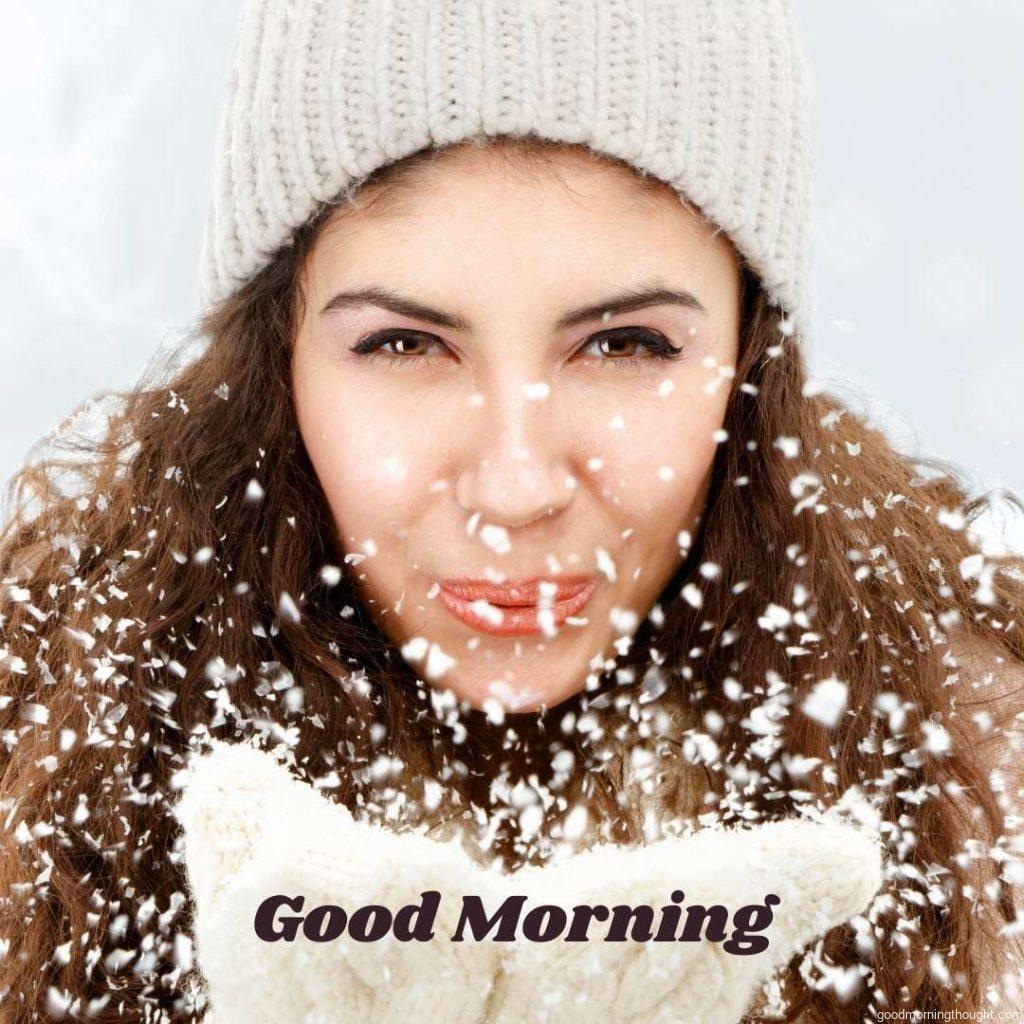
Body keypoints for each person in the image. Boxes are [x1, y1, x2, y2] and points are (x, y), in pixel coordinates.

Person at [1, 1, 1022, 1020]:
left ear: (750, 361)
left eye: (624, 345)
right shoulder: (44, 743)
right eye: (403, 344)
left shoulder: (982, 780)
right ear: (278, 362)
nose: (516, 487)